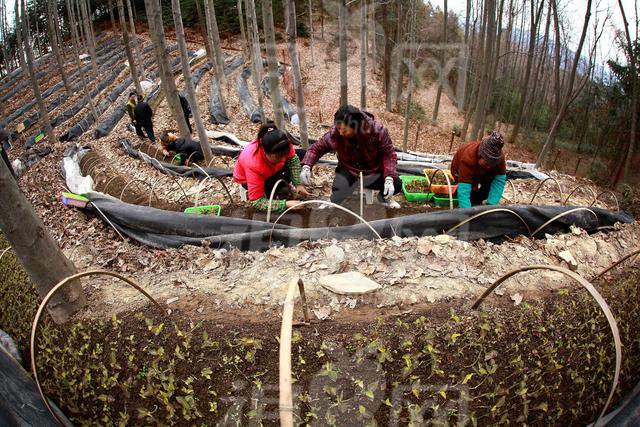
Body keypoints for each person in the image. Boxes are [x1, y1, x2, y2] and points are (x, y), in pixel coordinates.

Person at [300, 105, 401, 208]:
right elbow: (316, 148)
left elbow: (388, 154)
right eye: (338, 128)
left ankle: (383, 198)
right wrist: (307, 166)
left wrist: (389, 177)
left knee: (396, 184)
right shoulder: (335, 134)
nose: (340, 132)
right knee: (338, 190)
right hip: (349, 170)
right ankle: (335, 201)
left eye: (344, 130)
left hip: (373, 171)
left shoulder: (377, 131)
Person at [233, 123, 310, 213]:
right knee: (270, 199)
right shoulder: (253, 164)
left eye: (285, 155)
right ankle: (277, 191)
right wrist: (285, 204)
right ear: (266, 152)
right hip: (250, 178)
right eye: (279, 157)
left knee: (303, 154)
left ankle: (282, 187)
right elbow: (257, 202)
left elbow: (293, 160)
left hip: (272, 168)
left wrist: (298, 184)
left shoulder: (283, 145)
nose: (283, 159)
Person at [450, 131, 507, 209]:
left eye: (492, 164)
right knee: (468, 193)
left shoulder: (500, 159)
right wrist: (467, 213)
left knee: (485, 190)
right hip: (459, 169)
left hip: (483, 173)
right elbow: (464, 189)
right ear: (480, 155)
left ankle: (477, 201)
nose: (489, 166)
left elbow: (499, 181)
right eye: (487, 163)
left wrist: (491, 206)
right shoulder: (468, 157)